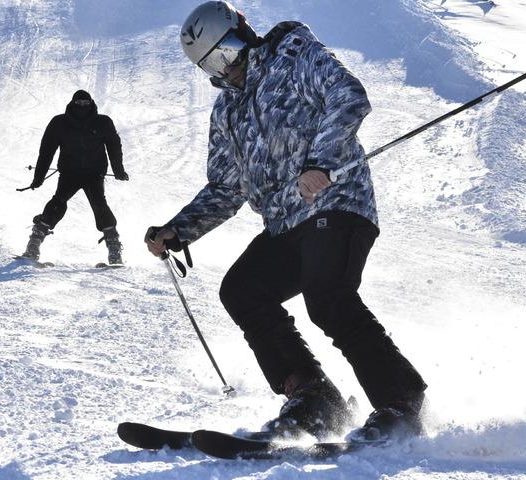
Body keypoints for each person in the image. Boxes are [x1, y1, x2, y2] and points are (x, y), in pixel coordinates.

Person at [145, 1, 427, 442]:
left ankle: (400, 404)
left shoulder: (293, 54)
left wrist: (321, 162)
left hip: (337, 202)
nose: (228, 67)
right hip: (285, 224)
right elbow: (226, 187)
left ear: (244, 32)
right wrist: (179, 229)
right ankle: (315, 400)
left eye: (229, 51)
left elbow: (348, 96)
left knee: (327, 296)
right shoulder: (227, 112)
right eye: (213, 64)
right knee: (242, 290)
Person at [22, 90, 129, 264]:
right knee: (58, 202)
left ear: (91, 104)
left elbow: (114, 147)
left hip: (94, 173)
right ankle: (34, 242)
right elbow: (47, 151)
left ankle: (114, 248)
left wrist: (118, 170)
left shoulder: (103, 122)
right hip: (69, 173)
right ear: (72, 104)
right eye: (78, 103)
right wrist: (39, 177)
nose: (82, 106)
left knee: (99, 205)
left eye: (86, 103)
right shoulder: (60, 123)